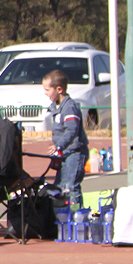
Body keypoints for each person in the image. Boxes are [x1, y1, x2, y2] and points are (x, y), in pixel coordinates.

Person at [43, 68, 89, 211]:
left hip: (75, 152)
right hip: (64, 153)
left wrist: (60, 145)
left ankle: (76, 215)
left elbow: (72, 130)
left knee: (71, 186)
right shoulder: (56, 107)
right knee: (60, 186)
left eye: (47, 89)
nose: (45, 93)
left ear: (59, 89)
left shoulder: (69, 107)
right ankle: (60, 215)